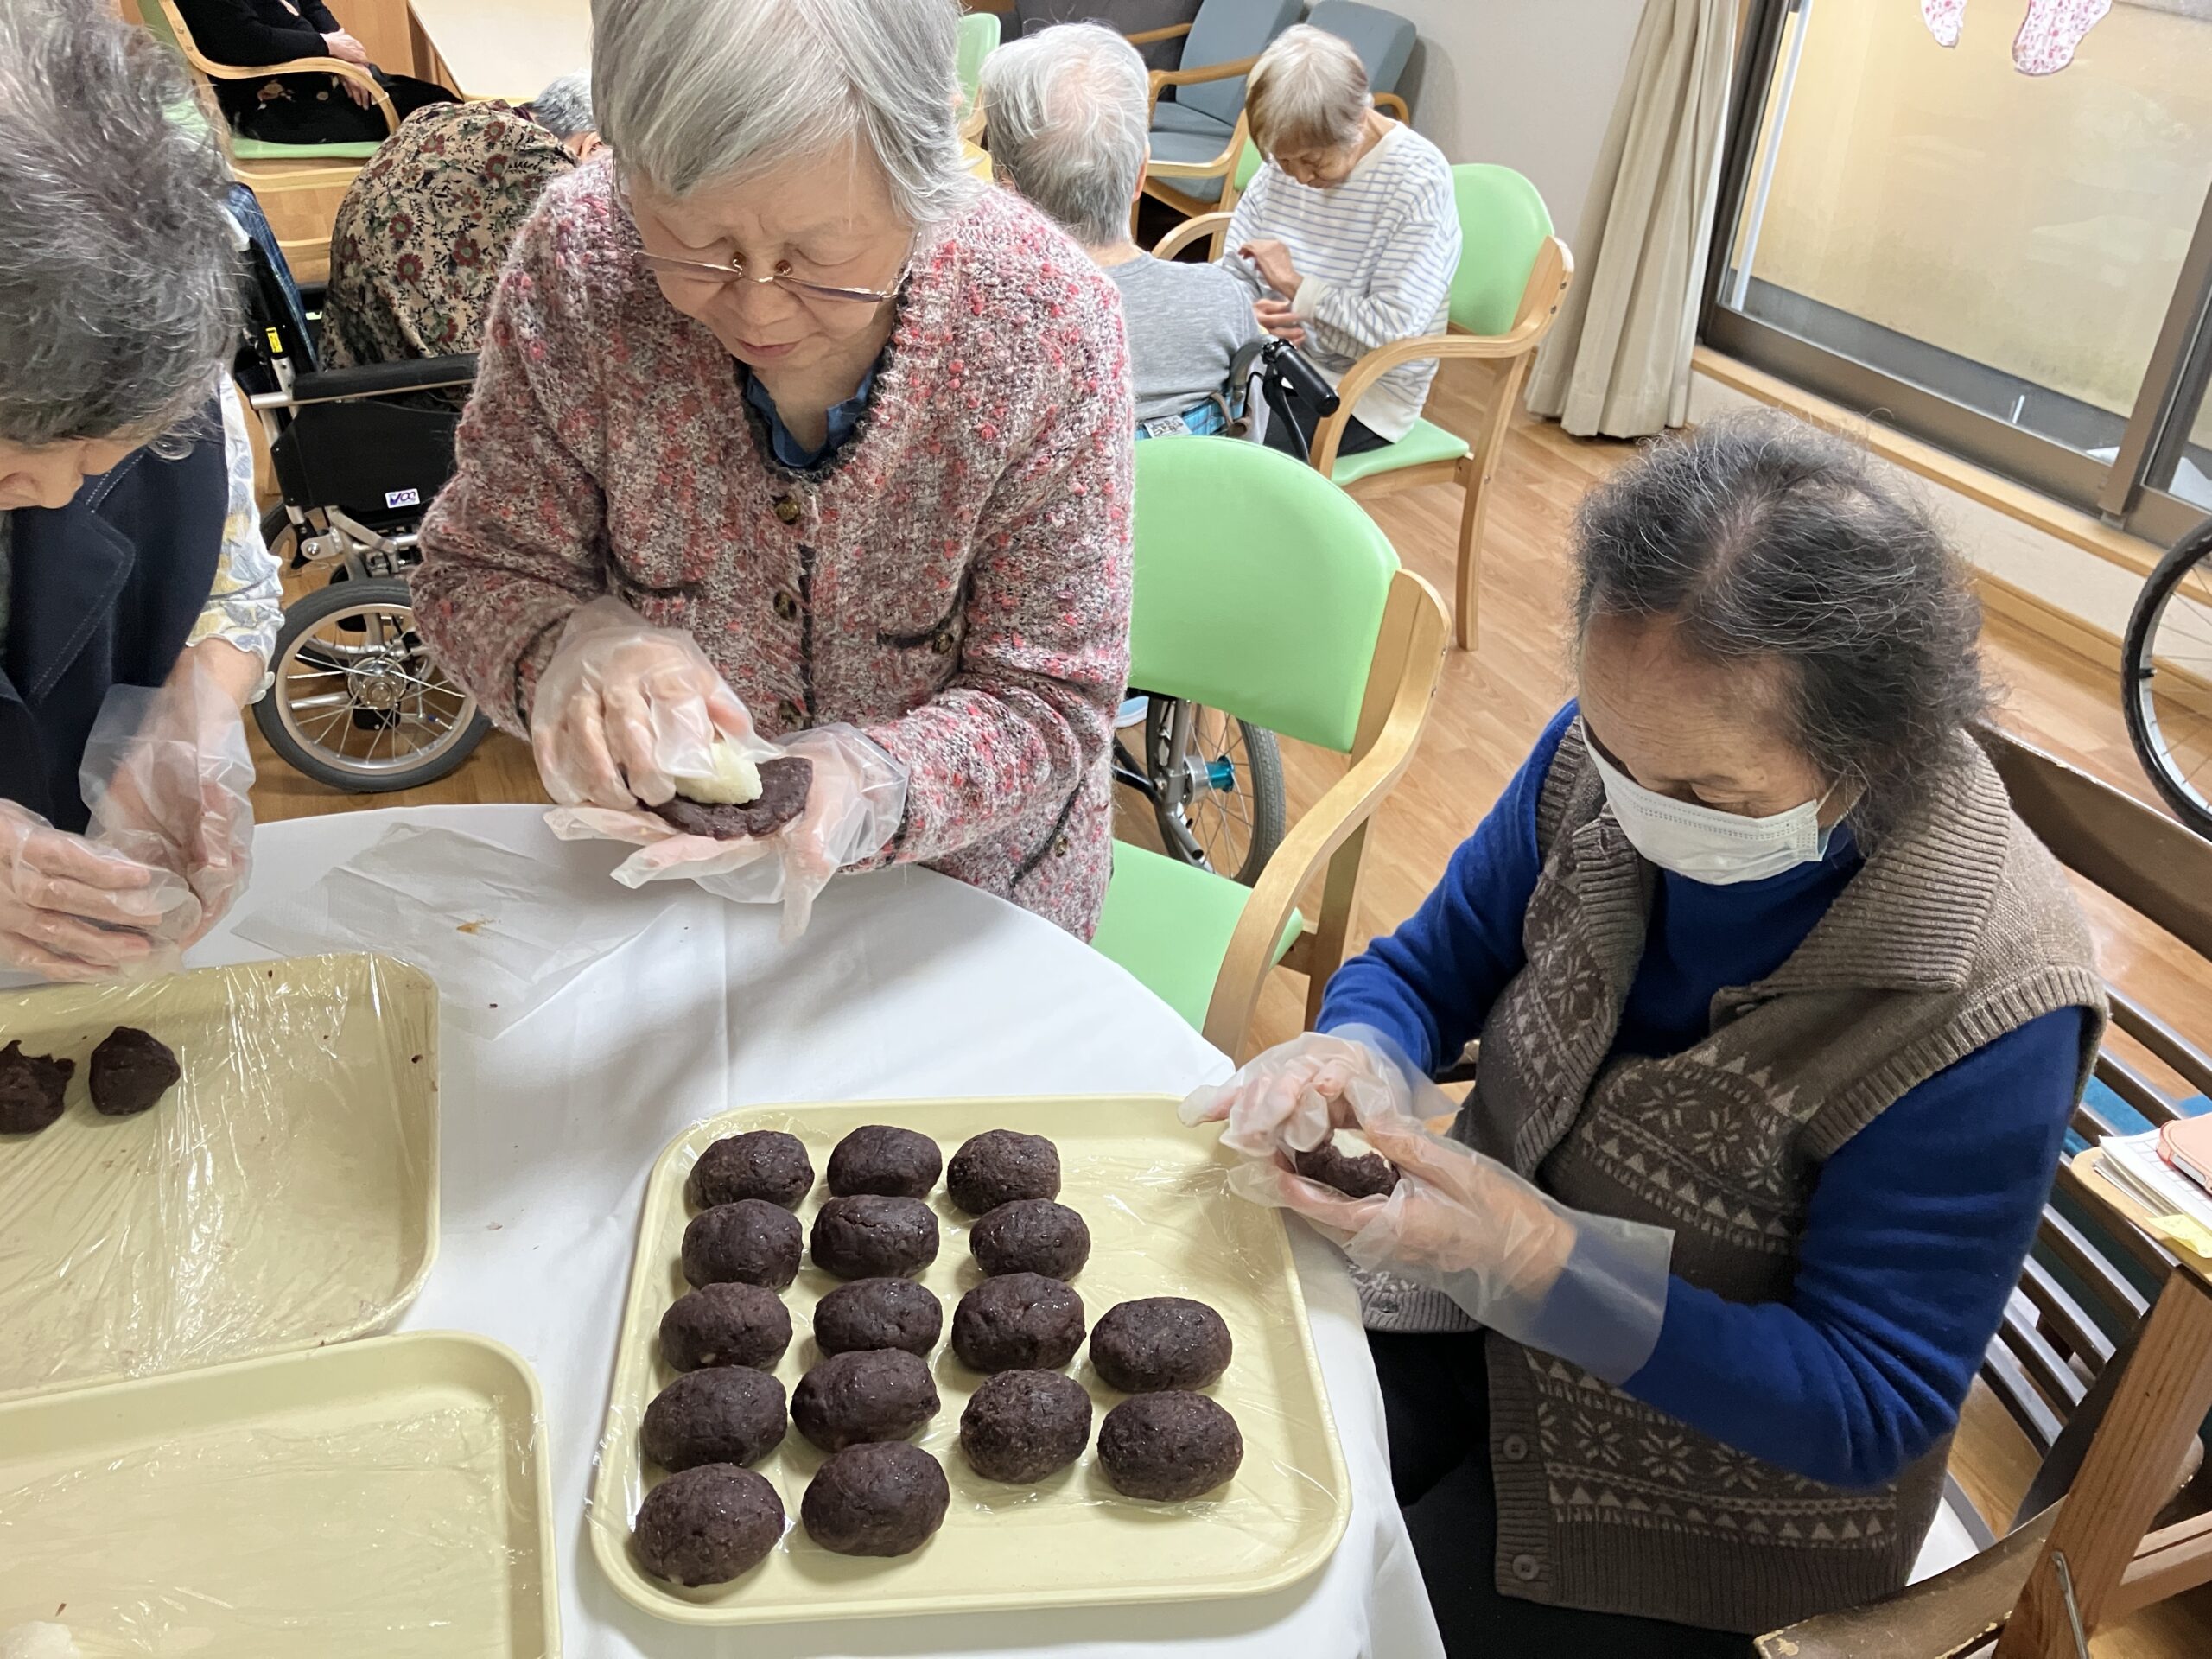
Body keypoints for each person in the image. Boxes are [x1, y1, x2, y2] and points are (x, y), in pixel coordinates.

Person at [1186, 416, 2104, 1654]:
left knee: (1331, 1626)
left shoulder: (1986, 1000)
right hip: (1465, 1316)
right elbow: (1429, 968)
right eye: (1615, 750)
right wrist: (1355, 1051)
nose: (1639, 815)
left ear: (1877, 753)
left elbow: (1867, 1401)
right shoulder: (1606, 766)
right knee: (1208, 1526)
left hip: (1704, 1490)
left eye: (1709, 793)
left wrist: (1540, 1262)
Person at [411, 0, 1134, 940]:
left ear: (925, 180)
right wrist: (572, 650)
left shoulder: (1044, 324)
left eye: (818, 256)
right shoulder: (581, 262)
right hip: (668, 888)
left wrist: (878, 784)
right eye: (698, 247)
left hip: (969, 901)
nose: (757, 309)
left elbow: (1052, 695)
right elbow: (479, 570)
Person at [1, 0, 277, 978]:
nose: (52, 494)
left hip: (66, 924)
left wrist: (191, 725)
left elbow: (230, 585)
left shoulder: (162, 359)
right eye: (12, 452)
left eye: (99, 456)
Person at [982, 23, 1258, 438]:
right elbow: (1250, 447)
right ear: (1140, 173)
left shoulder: (981, 324)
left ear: (1008, 193)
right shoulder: (1224, 299)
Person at [1222, 24, 1459, 460]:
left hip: (1360, 393)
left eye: (1312, 161)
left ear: (1357, 121)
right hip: (1270, 363)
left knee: (1225, 453)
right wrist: (1248, 315)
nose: (1297, 177)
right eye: (1284, 161)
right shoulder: (1288, 155)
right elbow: (1235, 273)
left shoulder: (1417, 181)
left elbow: (1393, 331)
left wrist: (1296, 287)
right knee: (1162, 411)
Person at [321, 73, 601, 390]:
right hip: (420, 382)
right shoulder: (543, 162)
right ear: (594, 145)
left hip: (353, 347)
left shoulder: (448, 114)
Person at [172, 0, 453, 145]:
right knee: (441, 119)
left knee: (440, 105)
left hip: (319, 73)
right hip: (270, 104)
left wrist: (347, 58)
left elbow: (312, 5)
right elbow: (248, 42)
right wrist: (330, 49)